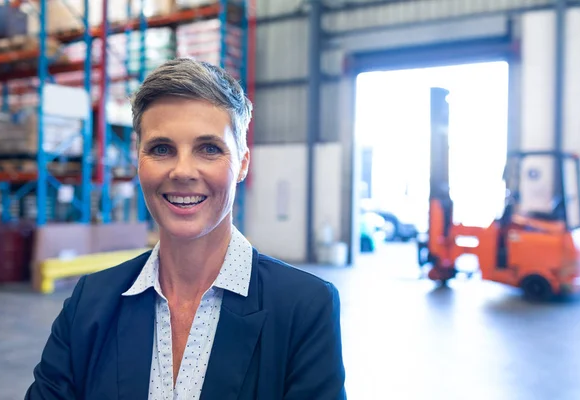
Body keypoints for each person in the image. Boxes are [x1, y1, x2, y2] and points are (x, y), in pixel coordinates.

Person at [25, 58, 346, 400]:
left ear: (242, 164)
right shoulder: (88, 305)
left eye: (209, 149)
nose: (182, 171)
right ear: (138, 161)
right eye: (161, 149)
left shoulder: (304, 308)